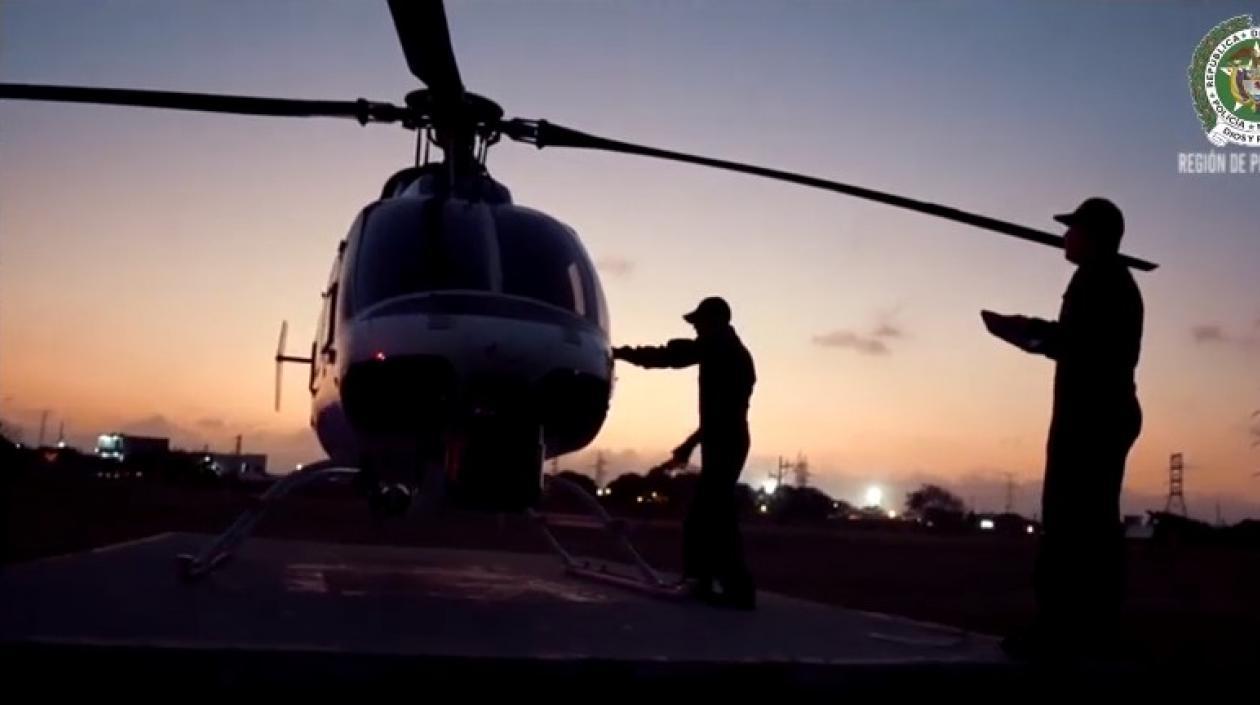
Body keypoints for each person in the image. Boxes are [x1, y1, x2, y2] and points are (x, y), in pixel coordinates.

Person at [981, 197, 1144, 659]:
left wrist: (1018, 330)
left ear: (1092, 235)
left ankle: (1061, 634)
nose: (1065, 237)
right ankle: (1090, 632)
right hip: (1102, 413)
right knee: (1090, 527)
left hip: (1092, 417)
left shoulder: (1101, 280)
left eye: (1073, 229)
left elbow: (1072, 343)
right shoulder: (1106, 279)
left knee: (1073, 525)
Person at [613, 296, 757, 609]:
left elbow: (671, 356)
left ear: (714, 322)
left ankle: (721, 585)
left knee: (710, 515)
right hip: (722, 437)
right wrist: (691, 444)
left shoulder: (721, 350)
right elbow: (721, 411)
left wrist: (621, 354)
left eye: (698, 324)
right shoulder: (726, 352)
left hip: (726, 439)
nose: (695, 330)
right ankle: (709, 581)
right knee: (712, 513)